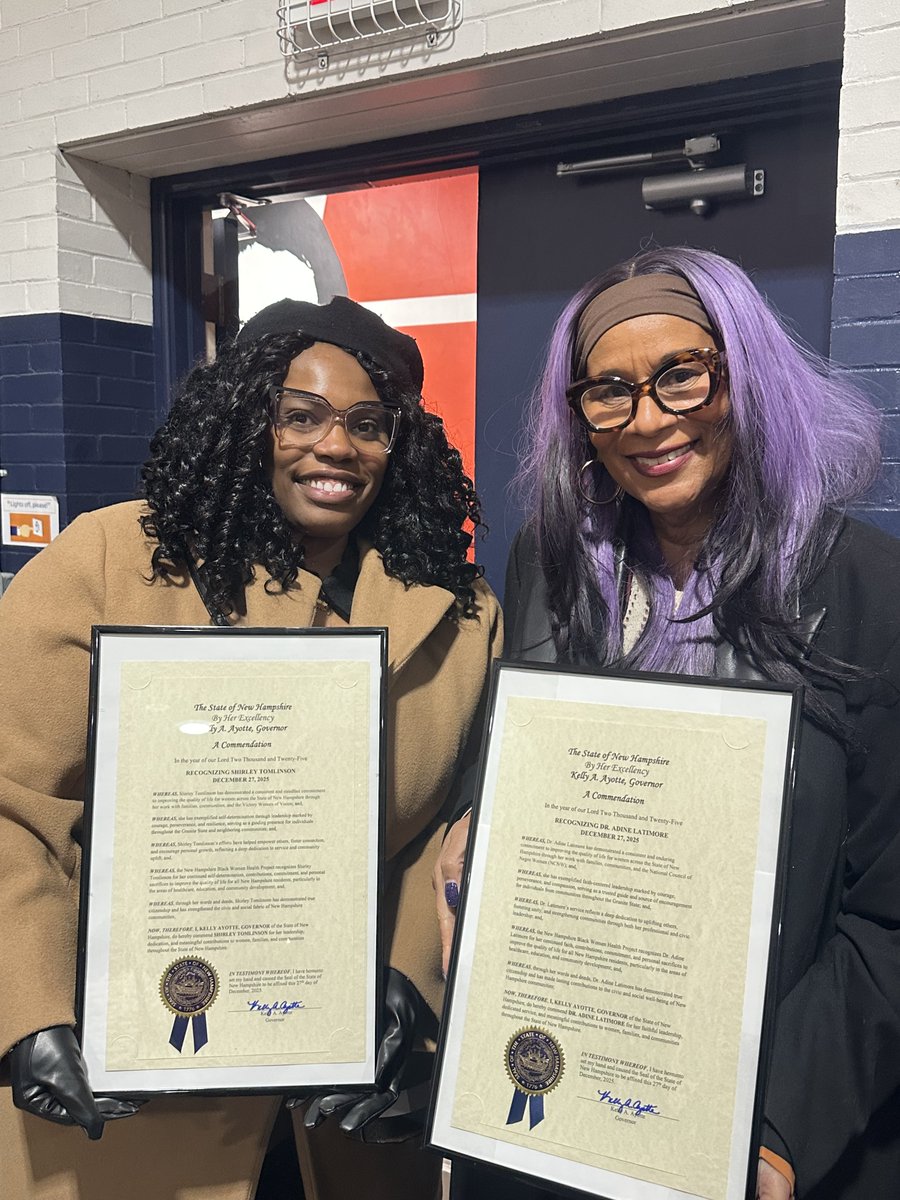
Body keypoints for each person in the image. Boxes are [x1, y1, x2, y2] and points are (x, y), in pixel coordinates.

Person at [0, 296, 501, 1200]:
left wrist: (411, 975)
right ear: (243, 419)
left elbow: (456, 821)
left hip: (345, 1098)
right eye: (299, 415)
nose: (334, 447)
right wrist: (27, 1008)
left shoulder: (462, 611)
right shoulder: (109, 561)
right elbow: (15, 801)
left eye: (366, 423)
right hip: (136, 1083)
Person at [437, 248, 900, 1200]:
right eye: (609, 391)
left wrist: (775, 1134)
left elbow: (888, 912)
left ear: (748, 379)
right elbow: (528, 768)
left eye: (682, 376)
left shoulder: (869, 592)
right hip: (557, 1101)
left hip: (765, 1126)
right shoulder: (549, 563)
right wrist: (480, 826)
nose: (649, 420)